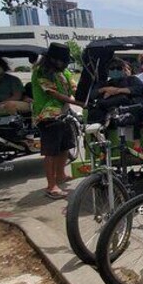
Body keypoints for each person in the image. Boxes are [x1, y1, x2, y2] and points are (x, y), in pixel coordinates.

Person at [32, 42, 82, 199]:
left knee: (65, 146)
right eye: (63, 61)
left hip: (64, 113)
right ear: (53, 59)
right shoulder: (41, 72)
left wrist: (82, 95)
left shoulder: (63, 71)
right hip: (48, 115)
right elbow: (53, 93)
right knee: (51, 151)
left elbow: (73, 87)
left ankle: (61, 175)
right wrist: (78, 102)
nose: (65, 64)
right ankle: (51, 185)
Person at [87, 58, 143, 125]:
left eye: (118, 68)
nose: (115, 70)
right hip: (108, 112)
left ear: (123, 69)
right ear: (108, 71)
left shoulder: (132, 79)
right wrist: (105, 89)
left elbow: (139, 89)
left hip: (128, 110)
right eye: (112, 68)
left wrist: (117, 91)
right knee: (93, 114)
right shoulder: (105, 84)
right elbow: (92, 94)